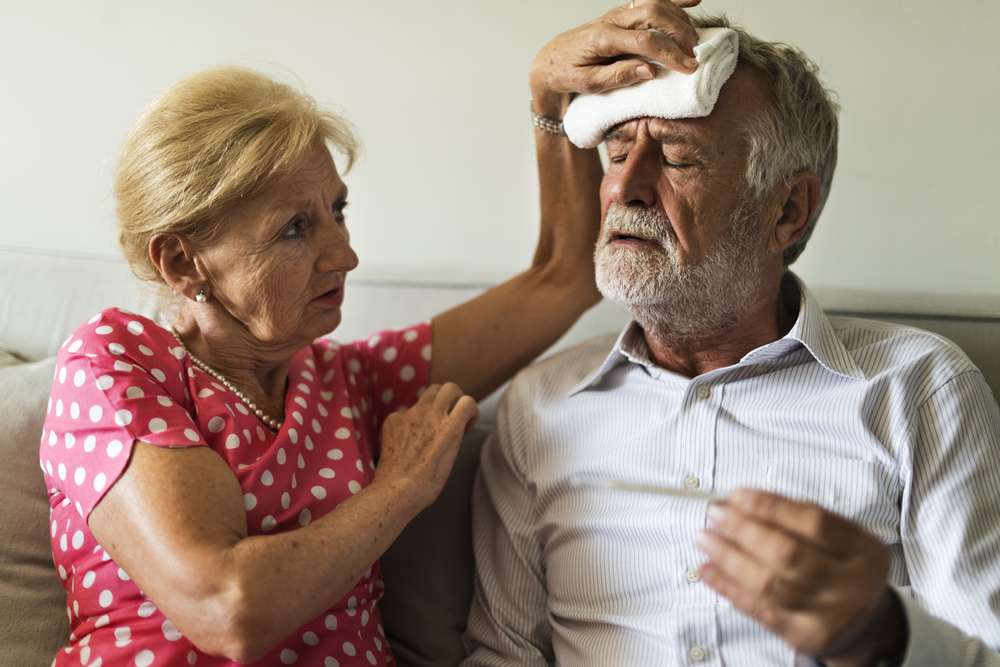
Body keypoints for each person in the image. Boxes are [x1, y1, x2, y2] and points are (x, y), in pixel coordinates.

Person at [37, 12, 706, 665]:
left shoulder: (351, 380)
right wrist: (399, 487)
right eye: (295, 228)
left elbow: (563, 279)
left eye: (338, 210)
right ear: (182, 262)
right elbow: (229, 609)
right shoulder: (116, 363)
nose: (345, 254)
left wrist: (547, 91)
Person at [463, 4, 1000, 667]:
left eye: (677, 158)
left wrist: (880, 632)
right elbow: (502, 656)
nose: (625, 187)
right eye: (617, 151)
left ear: (788, 208)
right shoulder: (537, 407)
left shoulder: (919, 389)